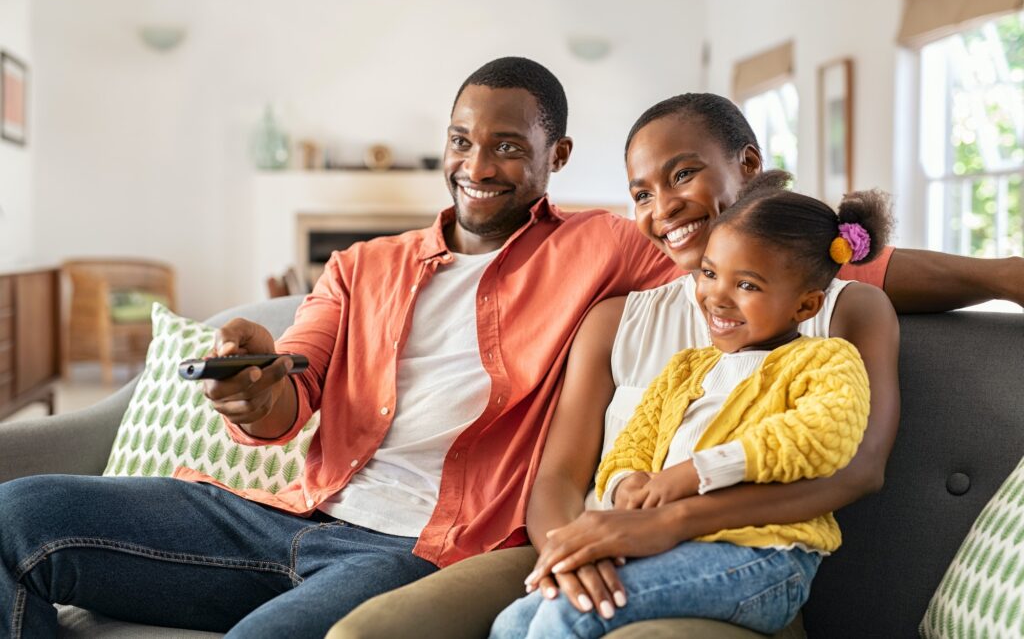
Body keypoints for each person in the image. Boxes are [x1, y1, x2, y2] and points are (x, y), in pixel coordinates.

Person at [0, 57, 679, 639]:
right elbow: (289, 398)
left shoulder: (603, 247)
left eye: (506, 145)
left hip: (413, 551)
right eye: (460, 140)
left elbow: (723, 281)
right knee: (15, 517)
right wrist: (252, 391)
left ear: (555, 157)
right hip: (285, 517)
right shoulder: (361, 266)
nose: (476, 165)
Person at [327, 93, 1020, 639]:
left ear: (746, 168)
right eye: (640, 193)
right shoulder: (615, 319)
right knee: (372, 631)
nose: (663, 209)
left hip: (735, 560)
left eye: (682, 173)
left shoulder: (838, 310)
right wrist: (577, 548)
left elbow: (858, 466)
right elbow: (561, 477)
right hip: (593, 540)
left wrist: (664, 524)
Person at [491, 176, 889, 637]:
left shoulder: (825, 360)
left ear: (806, 305)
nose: (716, 296)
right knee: (514, 620)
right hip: (672, 545)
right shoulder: (685, 369)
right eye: (709, 272)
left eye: (747, 285)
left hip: (766, 559)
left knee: (570, 615)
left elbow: (822, 437)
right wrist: (626, 485)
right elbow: (632, 445)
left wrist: (695, 473)